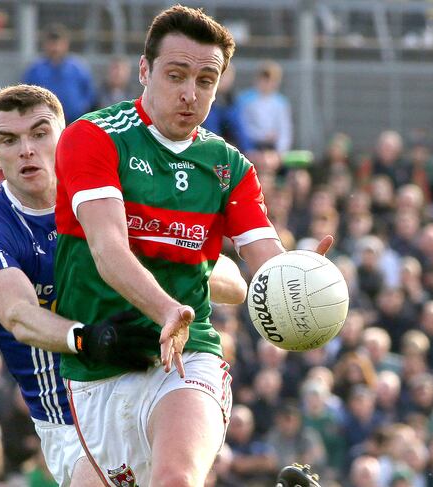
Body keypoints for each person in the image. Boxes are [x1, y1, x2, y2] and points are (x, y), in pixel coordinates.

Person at [53, 6, 330, 486]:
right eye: (176, 75)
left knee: (175, 480)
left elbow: (266, 257)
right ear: (145, 70)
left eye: (206, 80)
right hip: (99, 368)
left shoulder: (228, 166)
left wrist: (296, 282)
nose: (190, 93)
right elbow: (107, 248)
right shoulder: (94, 137)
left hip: (189, 356)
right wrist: (165, 310)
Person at [0, 84, 247, 486]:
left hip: (149, 376)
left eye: (40, 133)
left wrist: (168, 257)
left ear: (66, 137)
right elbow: (19, 316)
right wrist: (87, 338)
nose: (26, 149)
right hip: (67, 417)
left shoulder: (111, 195)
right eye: (9, 139)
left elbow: (235, 286)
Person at [22, 23, 97, 124]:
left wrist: (82, 107)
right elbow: (26, 94)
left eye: (58, 44)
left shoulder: (78, 68)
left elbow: (90, 94)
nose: (55, 48)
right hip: (45, 122)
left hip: (75, 122)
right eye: (51, 44)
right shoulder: (35, 70)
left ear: (66, 44)